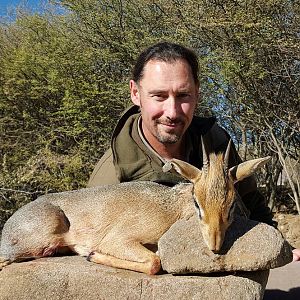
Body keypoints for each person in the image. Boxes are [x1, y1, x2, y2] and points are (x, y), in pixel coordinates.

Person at [87, 41, 299, 261]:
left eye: (183, 96)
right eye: (159, 96)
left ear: (197, 94)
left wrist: (282, 246)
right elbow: (96, 245)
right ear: (135, 93)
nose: (172, 112)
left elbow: (252, 202)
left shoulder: (216, 142)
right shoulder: (111, 174)